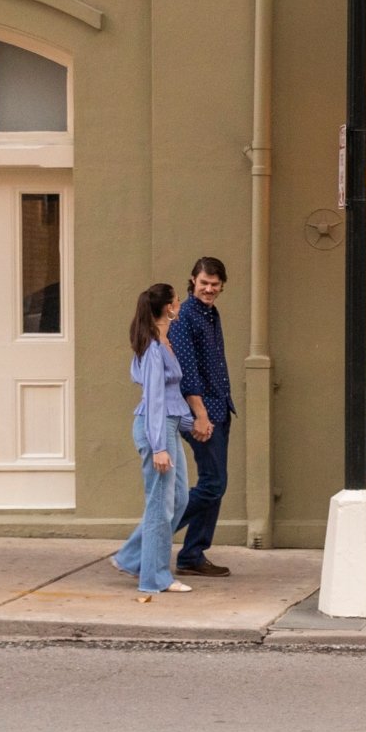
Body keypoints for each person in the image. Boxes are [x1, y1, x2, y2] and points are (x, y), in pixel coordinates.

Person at [114, 283, 194, 600]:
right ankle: (154, 577)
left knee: (178, 500)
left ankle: (136, 559)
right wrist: (159, 446)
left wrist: (190, 422)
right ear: (169, 308)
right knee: (160, 505)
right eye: (177, 300)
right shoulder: (152, 348)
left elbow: (171, 397)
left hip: (168, 427)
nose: (180, 304)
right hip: (155, 428)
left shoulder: (163, 341)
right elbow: (156, 400)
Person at [171, 255, 236, 579]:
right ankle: (151, 537)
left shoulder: (211, 314)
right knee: (212, 484)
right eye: (204, 283)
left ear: (221, 285)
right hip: (202, 413)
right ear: (193, 281)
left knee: (216, 484)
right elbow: (187, 373)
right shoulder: (184, 316)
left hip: (219, 409)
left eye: (214, 284)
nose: (209, 288)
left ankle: (193, 554)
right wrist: (200, 415)